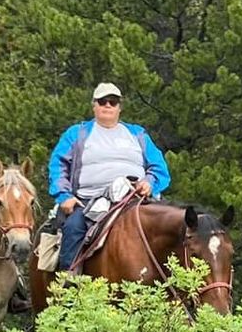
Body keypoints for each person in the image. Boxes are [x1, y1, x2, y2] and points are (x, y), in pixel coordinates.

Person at [47, 82, 171, 271]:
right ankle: (68, 284)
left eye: (112, 102)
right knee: (73, 228)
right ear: (94, 105)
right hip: (88, 201)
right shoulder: (77, 133)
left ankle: (178, 287)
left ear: (119, 107)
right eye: (102, 101)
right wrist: (64, 196)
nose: (107, 105)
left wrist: (150, 182)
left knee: (172, 227)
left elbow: (159, 167)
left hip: (135, 198)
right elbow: (58, 165)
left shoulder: (137, 134)